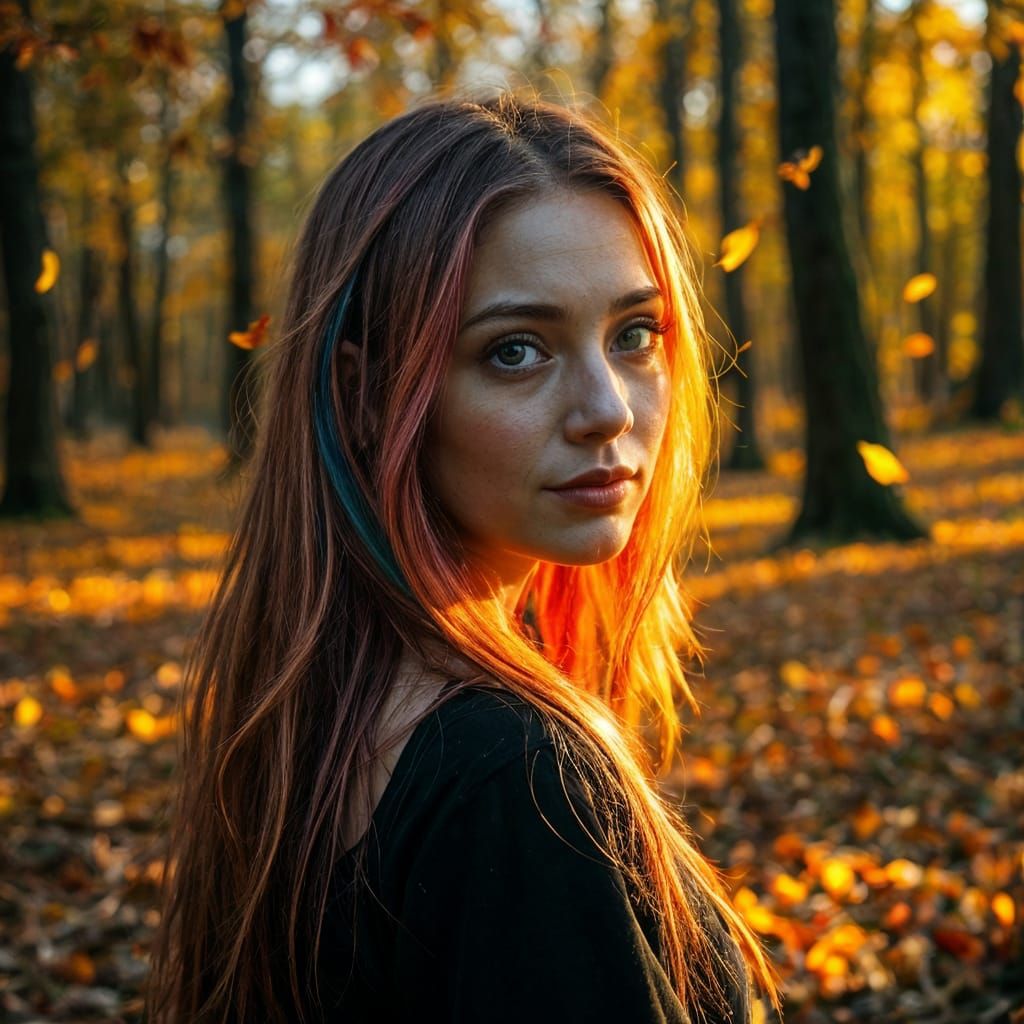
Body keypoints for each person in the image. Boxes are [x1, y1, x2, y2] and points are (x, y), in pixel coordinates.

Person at [146, 91, 779, 1023]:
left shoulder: (309, 708)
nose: (606, 408)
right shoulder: (514, 780)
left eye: (635, 335)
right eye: (516, 350)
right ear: (363, 394)